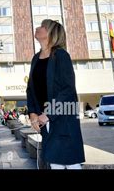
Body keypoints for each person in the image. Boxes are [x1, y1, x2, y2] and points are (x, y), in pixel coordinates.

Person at [26, 19, 85, 169]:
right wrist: (32, 113)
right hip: (44, 121)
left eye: (43, 27)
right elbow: (30, 90)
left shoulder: (61, 55)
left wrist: (48, 114)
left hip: (62, 119)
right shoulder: (35, 59)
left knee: (71, 164)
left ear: (51, 33)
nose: (38, 28)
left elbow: (68, 89)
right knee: (55, 164)